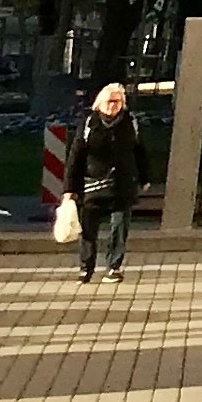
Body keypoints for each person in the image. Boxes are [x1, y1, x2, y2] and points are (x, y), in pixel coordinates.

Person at [65, 82, 150, 283]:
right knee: (88, 230)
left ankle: (114, 267)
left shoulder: (130, 122)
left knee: (119, 229)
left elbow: (140, 151)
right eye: (110, 101)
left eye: (118, 101)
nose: (114, 105)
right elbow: (75, 156)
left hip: (122, 185)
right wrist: (69, 188)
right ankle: (86, 268)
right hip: (92, 185)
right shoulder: (89, 124)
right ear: (100, 103)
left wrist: (145, 177)